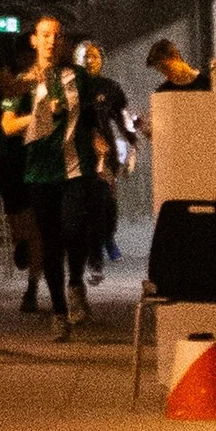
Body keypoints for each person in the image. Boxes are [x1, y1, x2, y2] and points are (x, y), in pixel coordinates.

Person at [1, 11, 92, 338]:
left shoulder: (78, 77)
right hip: (40, 173)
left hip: (75, 168)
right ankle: (58, 311)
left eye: (57, 36)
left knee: (73, 229)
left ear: (63, 41)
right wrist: (37, 116)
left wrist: (101, 143)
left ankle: (77, 284)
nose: (52, 41)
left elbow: (91, 117)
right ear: (34, 40)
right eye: (45, 35)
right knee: (50, 242)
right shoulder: (22, 82)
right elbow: (7, 125)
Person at [76, 38, 133, 274]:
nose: (90, 61)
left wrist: (132, 146)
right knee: (88, 205)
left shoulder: (110, 87)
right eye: (85, 56)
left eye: (94, 56)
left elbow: (124, 117)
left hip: (106, 151)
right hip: (78, 151)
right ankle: (94, 255)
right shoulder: (73, 85)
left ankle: (107, 236)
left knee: (107, 204)